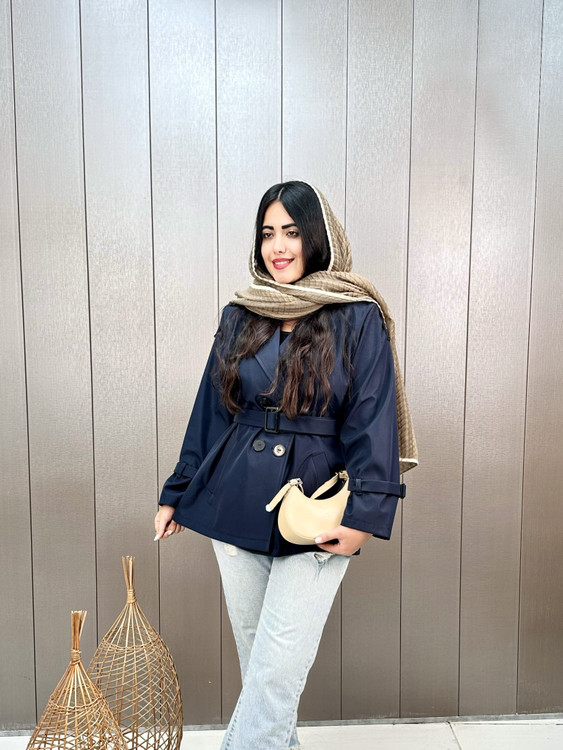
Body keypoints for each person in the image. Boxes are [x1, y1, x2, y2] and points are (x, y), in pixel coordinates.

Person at [154, 180, 418, 750]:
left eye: (292, 232)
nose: (278, 246)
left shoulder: (357, 315)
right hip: (235, 501)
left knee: (274, 677)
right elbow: (212, 410)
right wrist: (177, 491)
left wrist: (365, 518)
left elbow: (373, 420)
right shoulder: (241, 313)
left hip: (317, 510)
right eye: (268, 233)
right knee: (262, 675)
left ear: (318, 238)